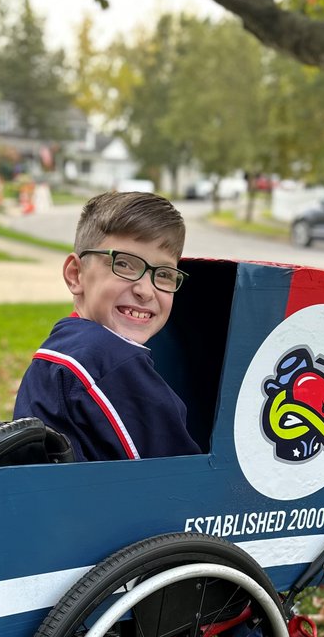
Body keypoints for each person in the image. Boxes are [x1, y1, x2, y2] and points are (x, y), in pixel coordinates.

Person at [13, 191, 202, 462]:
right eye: (124, 264)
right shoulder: (106, 359)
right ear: (75, 274)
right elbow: (184, 479)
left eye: (164, 274)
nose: (145, 291)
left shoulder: (59, 350)